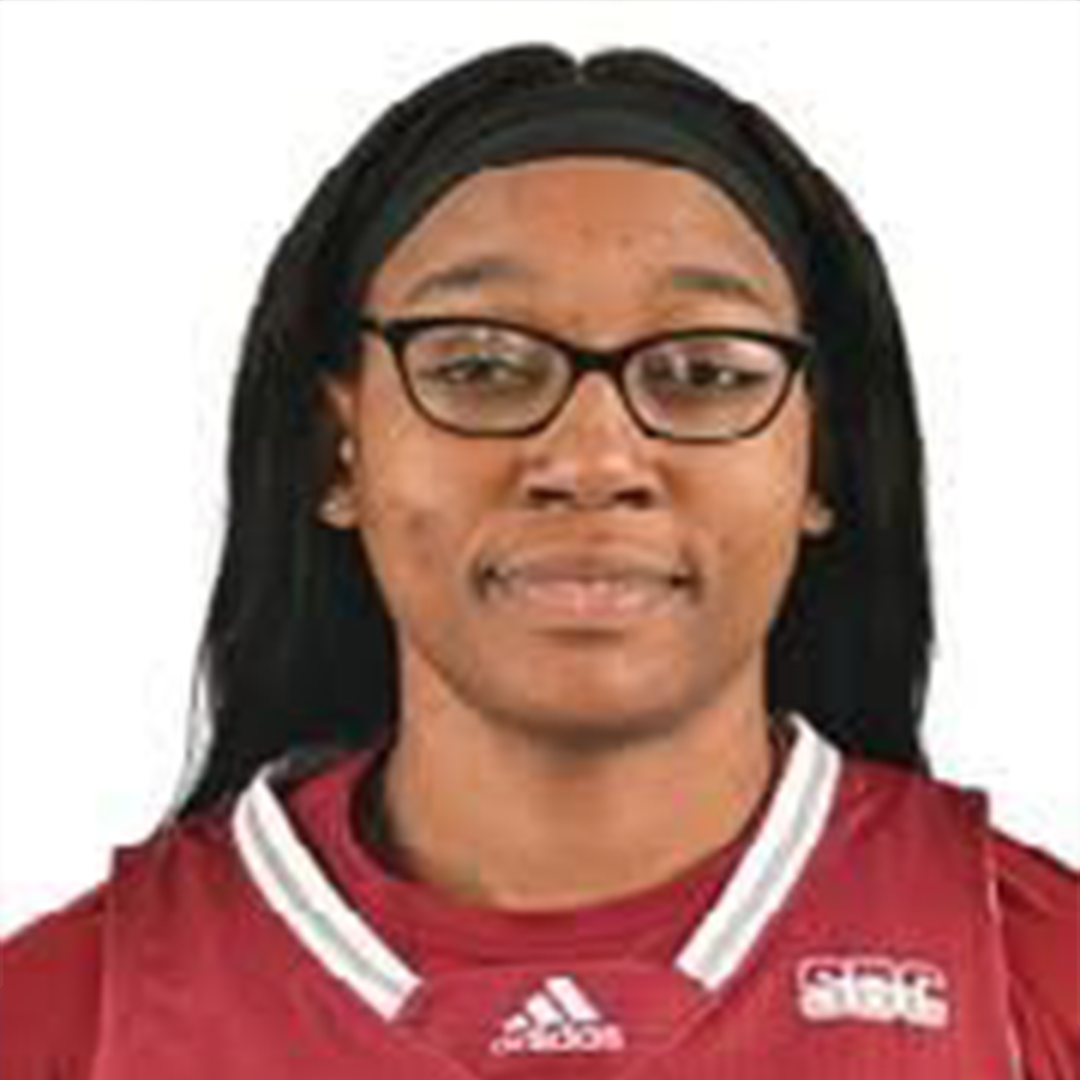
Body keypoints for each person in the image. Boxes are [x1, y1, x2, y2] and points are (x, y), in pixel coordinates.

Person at [1, 42, 1075, 1080]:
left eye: (704, 372)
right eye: (479, 366)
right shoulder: (54, 1019)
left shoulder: (1043, 976)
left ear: (821, 457)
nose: (593, 459)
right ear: (339, 449)